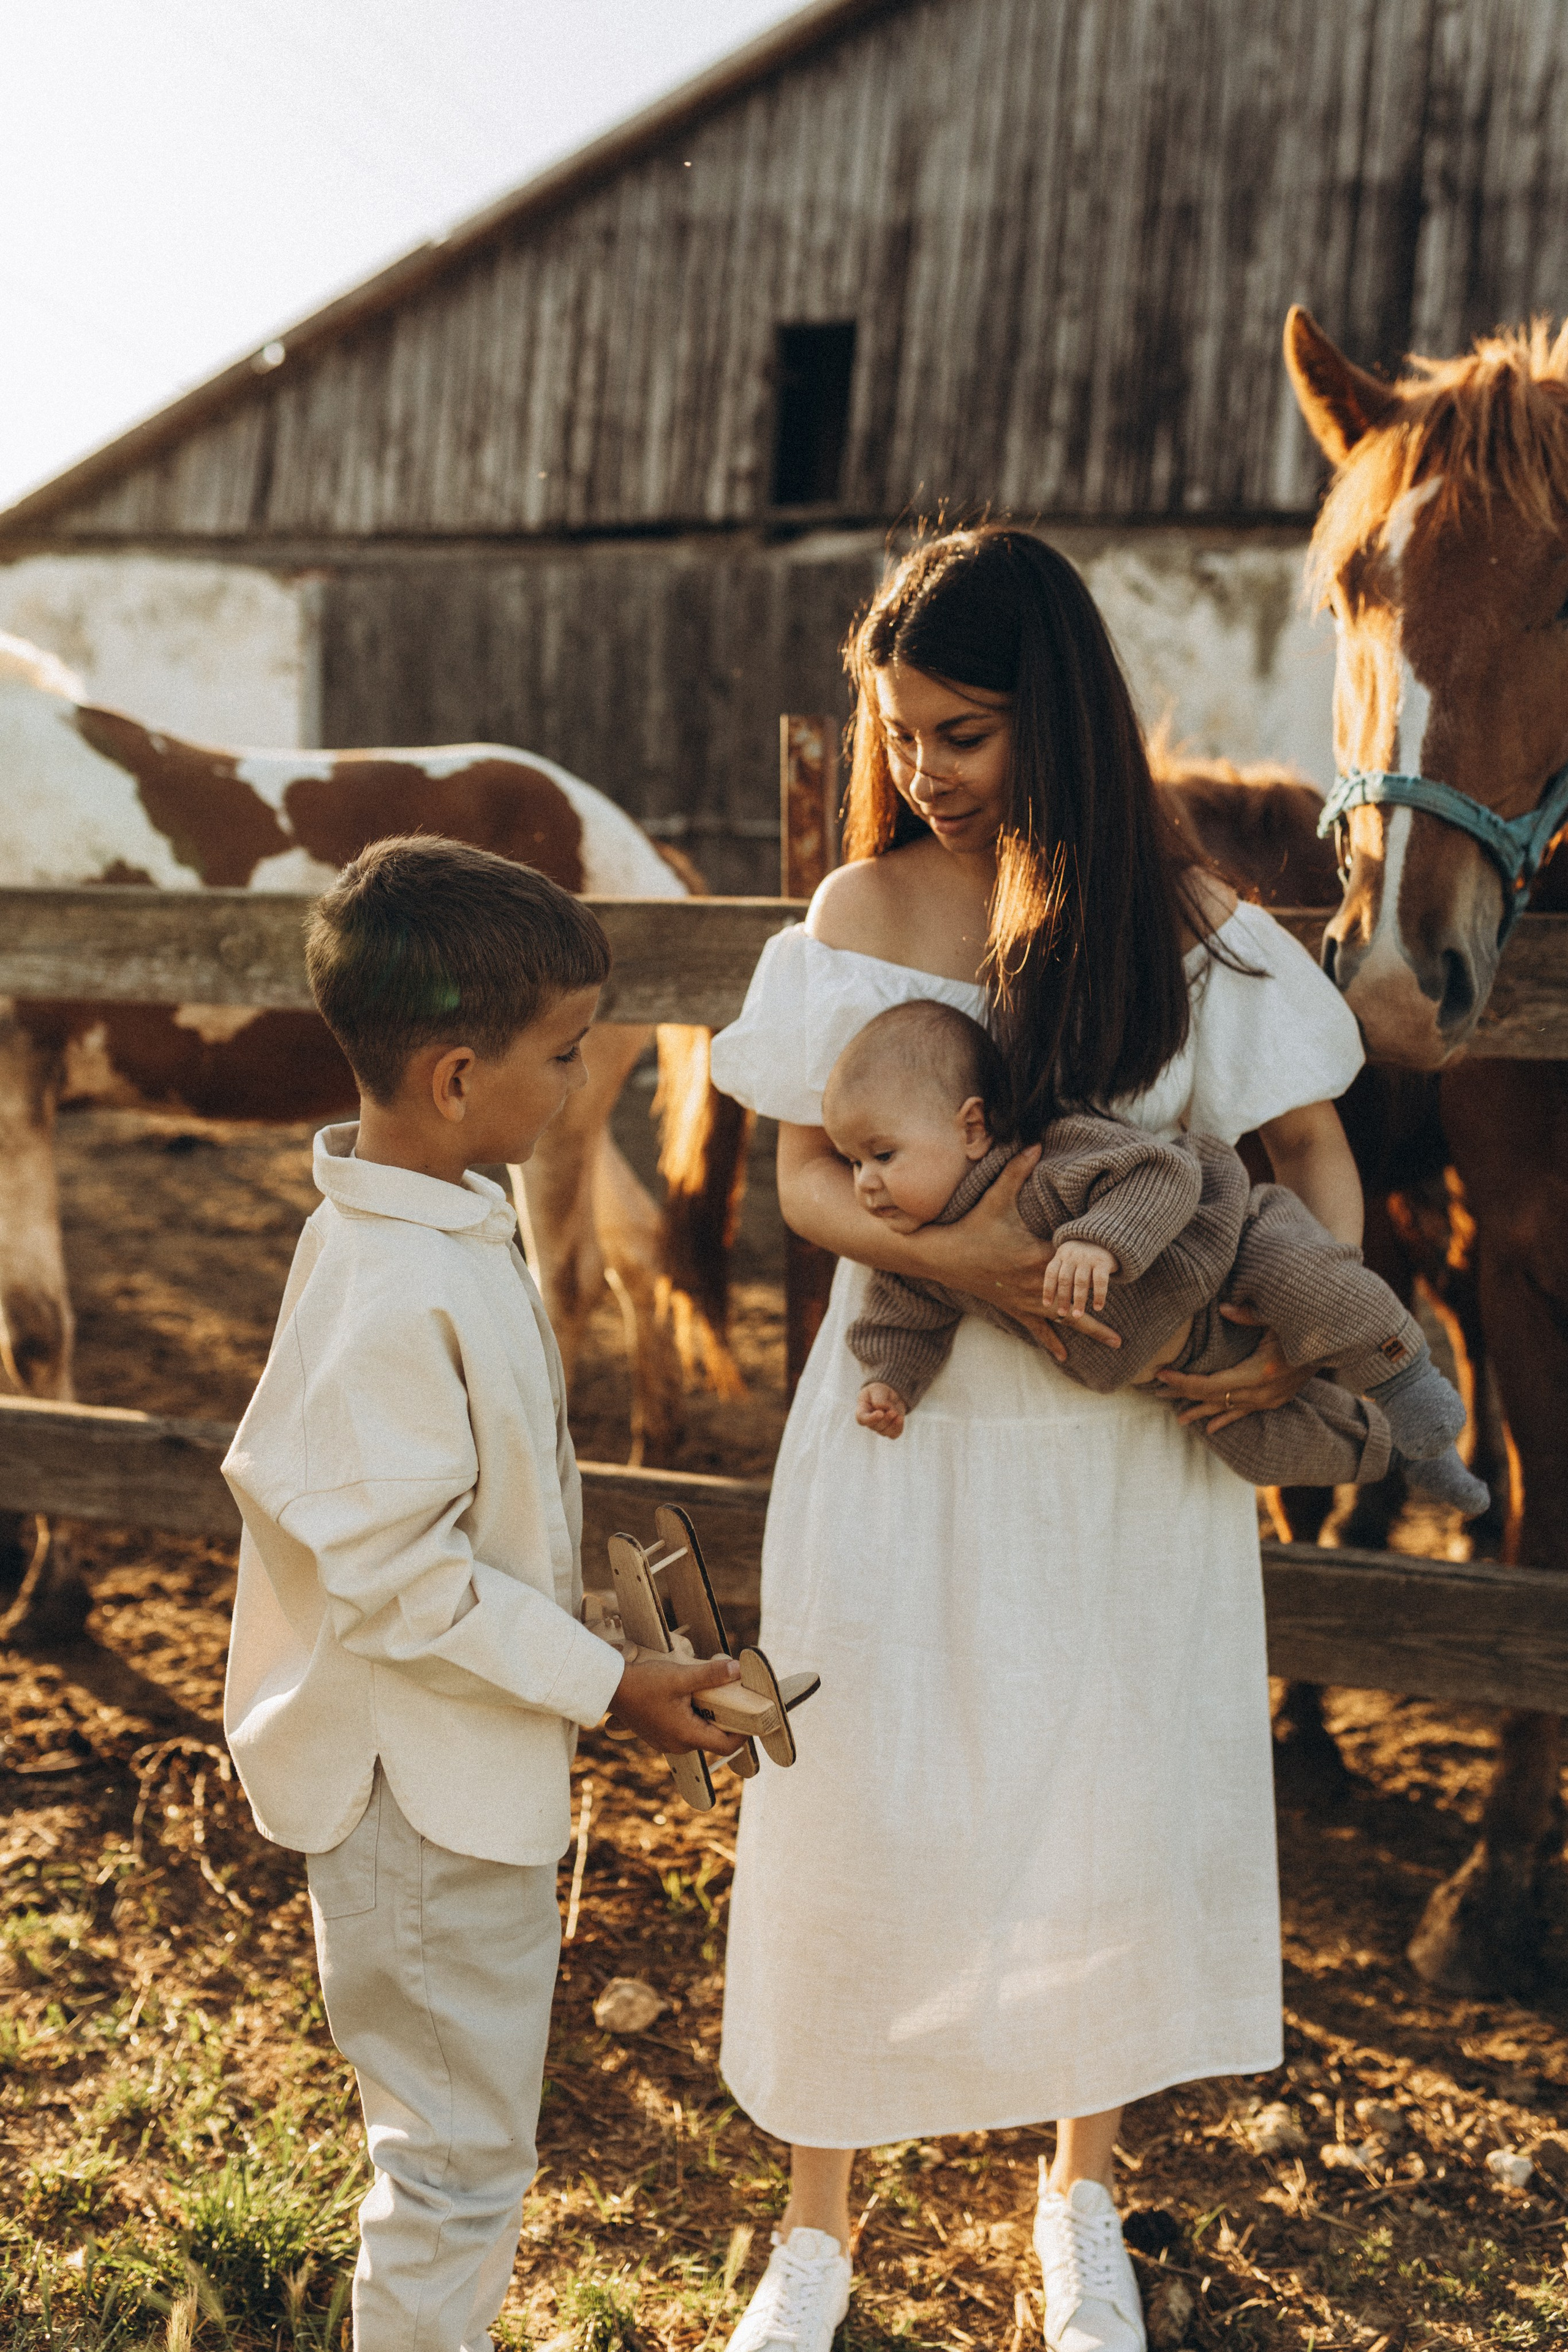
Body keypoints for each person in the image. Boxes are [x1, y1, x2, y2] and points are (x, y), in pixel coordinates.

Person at [707, 528, 1368, 2352]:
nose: (920, 766)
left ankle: (1076, 2192)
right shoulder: (855, 910)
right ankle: (816, 2228)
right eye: (897, 726)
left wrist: (1282, 1338)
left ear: (1057, 723)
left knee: (1108, 1796)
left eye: (965, 732)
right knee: (847, 1789)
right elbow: (800, 1177)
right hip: (899, 1430)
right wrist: (992, 1259)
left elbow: (1311, 1153)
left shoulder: (1189, 927)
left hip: (1118, 1460)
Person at [222, 835, 743, 2352]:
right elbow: (403, 1577)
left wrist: (605, 1629)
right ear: (456, 1077)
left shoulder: (434, 1223)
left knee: (453, 2155)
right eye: (567, 1055)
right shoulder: (393, 1285)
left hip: (447, 1787)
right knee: (451, 2170)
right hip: (418, 1811)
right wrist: (610, 1682)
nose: (588, 1083)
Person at [827, 997, 1485, 1514]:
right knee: (1262, 1449)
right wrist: (889, 1380)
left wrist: (1098, 1238)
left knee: (1314, 1281)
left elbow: (1161, 1172)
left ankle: (1409, 1381)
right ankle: (1400, 1457)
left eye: (882, 1155)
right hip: (1188, 1368)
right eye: (852, 1163)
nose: (865, 1184)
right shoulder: (921, 1258)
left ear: (971, 1128)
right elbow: (896, 1321)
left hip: (1236, 1256)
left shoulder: (1042, 1158)